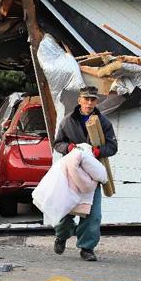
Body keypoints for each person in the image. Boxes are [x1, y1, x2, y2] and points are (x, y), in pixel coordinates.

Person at [52, 86, 117, 261]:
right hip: (71, 172)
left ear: (96, 102)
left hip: (92, 175)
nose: (89, 103)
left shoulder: (104, 123)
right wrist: (69, 147)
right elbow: (57, 143)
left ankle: (86, 248)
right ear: (79, 100)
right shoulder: (67, 121)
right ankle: (62, 235)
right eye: (86, 99)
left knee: (93, 214)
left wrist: (97, 152)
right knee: (66, 209)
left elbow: (113, 147)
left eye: (92, 100)